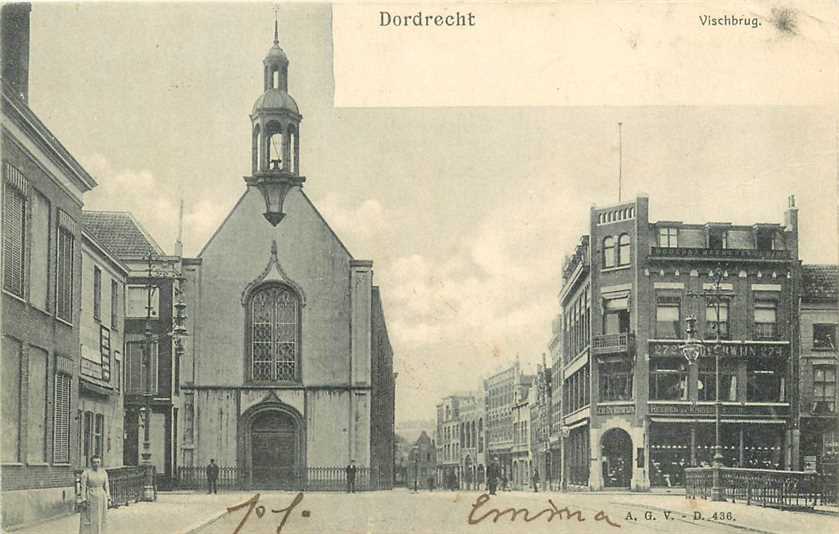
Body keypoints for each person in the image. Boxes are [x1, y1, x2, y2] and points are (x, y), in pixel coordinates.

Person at [79, 455, 111, 534]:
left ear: (100, 463)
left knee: (101, 517)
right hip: (90, 496)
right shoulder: (86, 473)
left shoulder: (103, 472)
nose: (96, 464)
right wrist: (83, 500)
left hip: (101, 497)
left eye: (98, 462)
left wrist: (108, 498)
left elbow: (106, 486)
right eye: (94, 462)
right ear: (91, 463)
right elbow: (83, 487)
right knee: (90, 518)